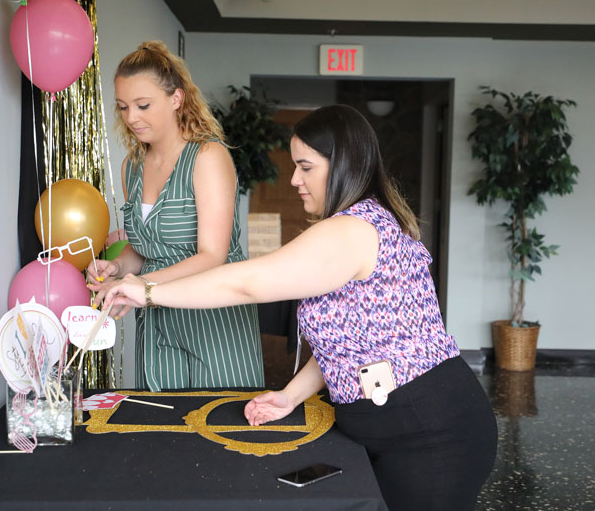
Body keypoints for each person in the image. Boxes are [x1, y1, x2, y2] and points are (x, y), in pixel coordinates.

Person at [97, 105, 497, 511]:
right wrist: (290, 396)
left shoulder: (351, 231)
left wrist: (147, 291)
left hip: (430, 432)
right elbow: (346, 341)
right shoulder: (360, 222)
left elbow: (246, 284)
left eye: (305, 167)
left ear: (341, 166)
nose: (293, 179)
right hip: (405, 425)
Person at [86, 40, 264, 391]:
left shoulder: (208, 157)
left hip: (214, 316)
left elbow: (212, 256)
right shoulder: (131, 166)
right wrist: (118, 268)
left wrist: (141, 286)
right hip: (158, 320)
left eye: (143, 105)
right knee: (163, 430)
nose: (131, 117)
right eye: (123, 107)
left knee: (221, 427)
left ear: (176, 99)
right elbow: (146, 247)